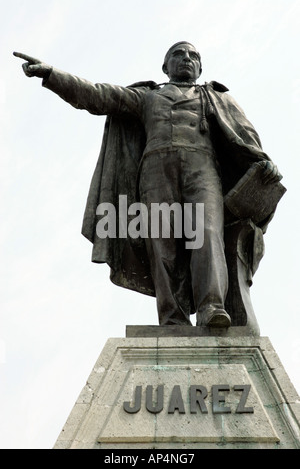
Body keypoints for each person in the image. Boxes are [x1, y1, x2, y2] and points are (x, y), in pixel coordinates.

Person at [14, 42, 282, 328]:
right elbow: (97, 95)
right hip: (155, 170)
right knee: (162, 242)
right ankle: (173, 317)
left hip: (203, 168)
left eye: (193, 56)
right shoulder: (147, 96)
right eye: (179, 55)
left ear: (200, 68)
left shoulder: (215, 97)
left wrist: (262, 160)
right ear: (165, 67)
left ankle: (211, 307)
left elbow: (243, 134)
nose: (187, 59)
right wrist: (52, 75)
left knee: (205, 233)